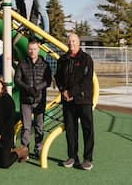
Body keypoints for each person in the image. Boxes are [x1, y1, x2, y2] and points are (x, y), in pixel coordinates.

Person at [55, 33, 94, 170]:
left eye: (74, 41)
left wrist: (71, 92)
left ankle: (88, 159)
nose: (71, 43)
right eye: (69, 41)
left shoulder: (86, 59)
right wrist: (63, 91)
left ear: (78, 43)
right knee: (71, 130)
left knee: (87, 130)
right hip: (68, 102)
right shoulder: (63, 59)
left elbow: (86, 80)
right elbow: (58, 77)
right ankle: (72, 157)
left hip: (83, 100)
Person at [14, 39, 52, 158]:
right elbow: (17, 79)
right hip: (26, 100)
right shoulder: (22, 63)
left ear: (38, 49)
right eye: (30, 49)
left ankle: (38, 148)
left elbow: (48, 80)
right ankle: (25, 149)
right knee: (26, 127)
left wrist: (37, 88)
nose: (32, 51)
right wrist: (28, 88)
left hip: (40, 99)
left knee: (39, 126)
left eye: (34, 49)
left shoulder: (45, 64)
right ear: (27, 50)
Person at [0, 75, 28, 168]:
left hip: (4, 136)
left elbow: (9, 121)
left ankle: (20, 151)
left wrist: (0, 134)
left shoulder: (7, 100)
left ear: (2, 85)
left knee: (4, 164)